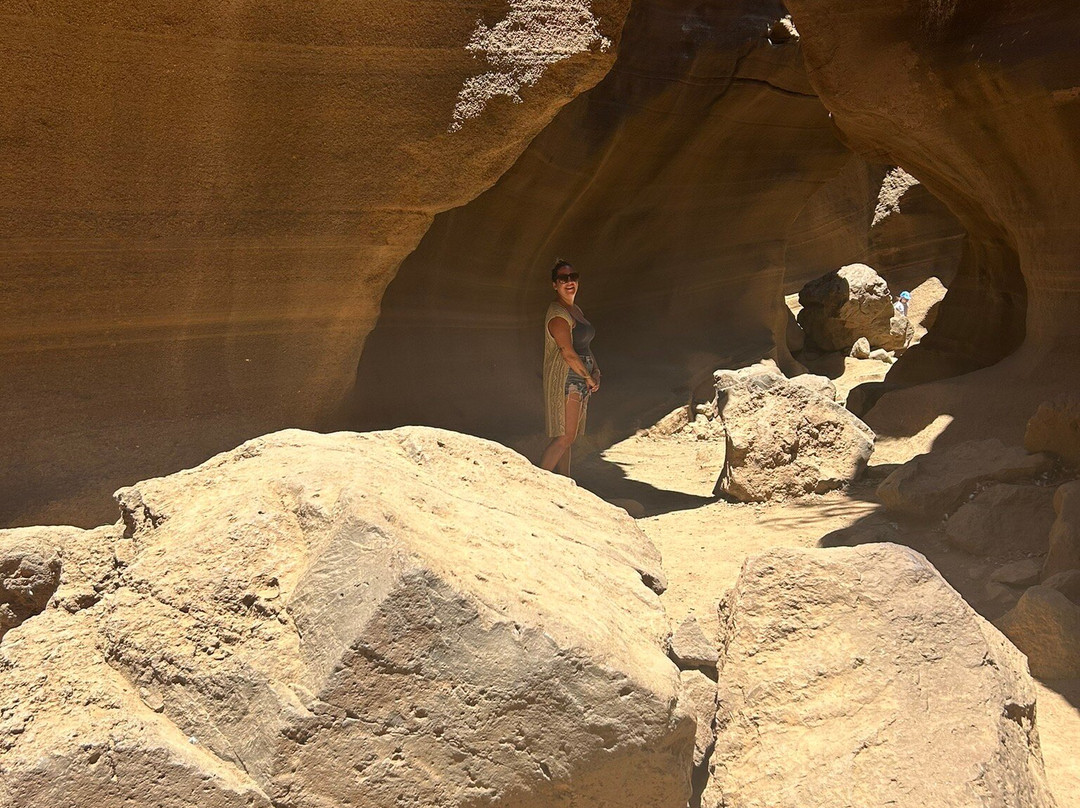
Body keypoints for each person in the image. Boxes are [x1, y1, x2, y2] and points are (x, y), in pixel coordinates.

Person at [539, 260, 601, 476]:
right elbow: (567, 352)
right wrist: (588, 377)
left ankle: (564, 482)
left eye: (572, 276)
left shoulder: (575, 310)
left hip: (580, 376)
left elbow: (583, 346)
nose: (569, 282)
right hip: (568, 378)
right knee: (565, 437)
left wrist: (596, 371)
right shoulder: (558, 315)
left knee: (568, 436)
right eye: (563, 279)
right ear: (554, 285)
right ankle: (539, 481)